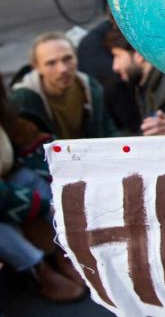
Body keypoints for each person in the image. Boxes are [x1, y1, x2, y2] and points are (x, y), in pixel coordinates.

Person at [0, 73, 87, 302]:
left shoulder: (4, 114)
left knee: (35, 177)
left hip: (7, 185)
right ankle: (38, 269)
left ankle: (64, 250)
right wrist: (37, 205)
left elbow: (30, 139)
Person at [11, 32, 117, 140]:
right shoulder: (23, 101)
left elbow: (107, 130)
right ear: (37, 67)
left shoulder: (91, 88)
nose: (63, 69)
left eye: (68, 59)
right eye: (51, 63)